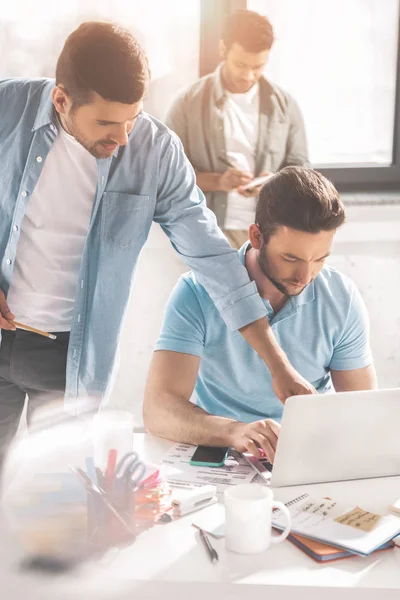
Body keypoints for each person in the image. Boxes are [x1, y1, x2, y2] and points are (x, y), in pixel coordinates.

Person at [0, 22, 313, 461]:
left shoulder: (154, 151)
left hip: (69, 360)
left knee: (59, 495)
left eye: (132, 119)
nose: (123, 137)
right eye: (107, 122)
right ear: (61, 100)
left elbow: (211, 256)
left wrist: (278, 366)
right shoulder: (6, 107)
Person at [143, 167, 377, 462]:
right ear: (256, 236)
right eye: (290, 258)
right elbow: (158, 410)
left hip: (310, 454)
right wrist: (236, 432)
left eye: (319, 258)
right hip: (224, 451)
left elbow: (363, 409)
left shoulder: (341, 296)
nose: (305, 276)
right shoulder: (196, 292)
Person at [165, 9, 309, 250]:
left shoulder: (285, 106)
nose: (248, 75)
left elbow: (302, 169)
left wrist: (275, 184)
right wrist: (219, 181)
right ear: (223, 50)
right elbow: (168, 176)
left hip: (269, 232)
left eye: (258, 66)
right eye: (240, 64)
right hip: (206, 230)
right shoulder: (187, 103)